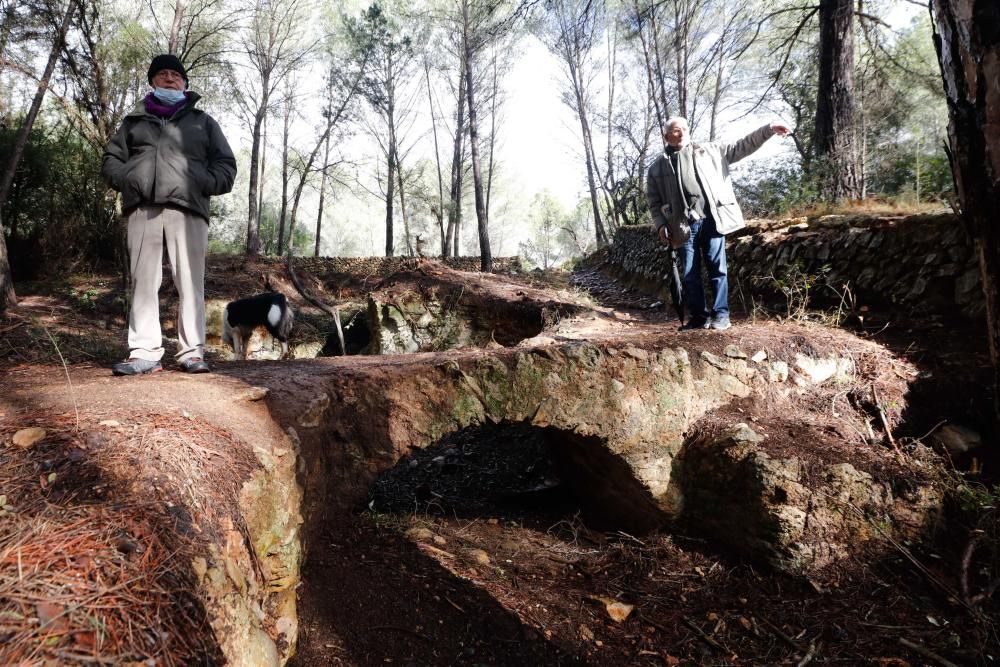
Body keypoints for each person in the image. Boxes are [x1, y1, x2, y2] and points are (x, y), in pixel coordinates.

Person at [102, 54, 236, 375]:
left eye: (175, 75)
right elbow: (111, 160)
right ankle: (144, 351)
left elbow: (226, 166)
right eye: (162, 74)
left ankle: (191, 352)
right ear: (152, 82)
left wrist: (200, 182)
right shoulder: (133, 121)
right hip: (142, 208)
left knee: (190, 282)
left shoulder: (203, 121)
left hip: (187, 210)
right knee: (144, 281)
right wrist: (129, 179)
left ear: (185, 83)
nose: (169, 79)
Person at [647, 116, 790, 330]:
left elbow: (743, 145)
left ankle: (722, 315)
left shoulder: (711, 151)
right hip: (683, 226)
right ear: (666, 136)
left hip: (712, 220)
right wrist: (660, 225)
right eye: (677, 130)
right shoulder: (656, 168)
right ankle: (699, 317)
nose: (682, 132)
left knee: (717, 269)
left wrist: (768, 130)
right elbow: (654, 201)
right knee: (690, 273)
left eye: (685, 128)